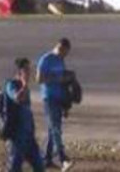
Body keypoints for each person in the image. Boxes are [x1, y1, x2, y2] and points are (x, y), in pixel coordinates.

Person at [37, 38, 73, 171]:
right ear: (60, 48)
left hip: (59, 99)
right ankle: (63, 158)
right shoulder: (46, 59)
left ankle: (46, 159)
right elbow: (39, 79)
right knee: (55, 128)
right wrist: (57, 78)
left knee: (52, 129)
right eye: (65, 52)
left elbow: (63, 82)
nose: (65, 56)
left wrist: (66, 104)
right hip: (49, 98)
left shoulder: (61, 61)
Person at [4, 58, 45, 172]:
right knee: (15, 168)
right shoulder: (11, 85)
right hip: (17, 137)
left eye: (29, 69)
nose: (29, 72)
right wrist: (24, 85)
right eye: (26, 69)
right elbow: (17, 98)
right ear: (19, 72)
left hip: (29, 136)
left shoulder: (26, 89)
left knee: (39, 166)